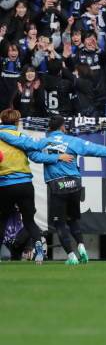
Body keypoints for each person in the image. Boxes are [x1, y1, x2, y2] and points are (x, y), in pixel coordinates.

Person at [0, 115, 106, 265]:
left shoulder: (43, 142)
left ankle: (71, 256)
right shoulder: (72, 141)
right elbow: (95, 149)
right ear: (63, 127)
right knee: (73, 220)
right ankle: (81, 246)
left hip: (57, 185)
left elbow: (34, 156)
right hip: (75, 184)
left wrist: (55, 158)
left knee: (59, 223)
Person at [0, 109, 73, 263]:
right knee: (29, 221)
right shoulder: (22, 137)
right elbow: (36, 156)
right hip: (24, 184)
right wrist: (57, 155)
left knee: (2, 220)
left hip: (4, 185)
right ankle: (39, 250)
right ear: (17, 122)